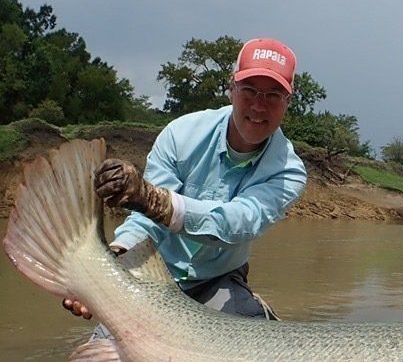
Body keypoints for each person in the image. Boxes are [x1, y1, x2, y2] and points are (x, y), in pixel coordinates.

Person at [63, 38, 308, 325]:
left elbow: (238, 224)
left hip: (218, 277)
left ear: (287, 102)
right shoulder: (181, 135)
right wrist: (113, 261)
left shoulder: (288, 171)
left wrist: (154, 200)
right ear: (232, 89)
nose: (258, 105)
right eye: (250, 90)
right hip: (152, 269)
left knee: (258, 337)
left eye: (273, 95)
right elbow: (144, 223)